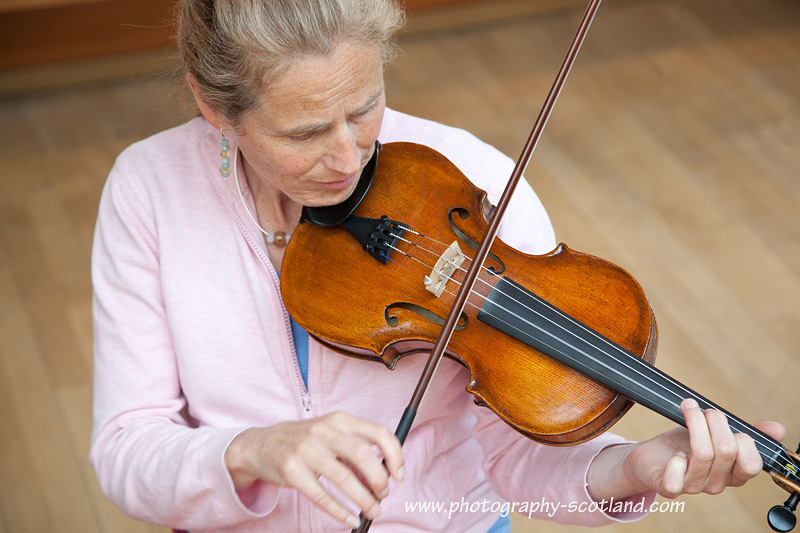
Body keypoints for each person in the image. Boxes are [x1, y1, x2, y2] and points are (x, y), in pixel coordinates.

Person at [89, 1, 785, 531]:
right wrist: (249, 449)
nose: (348, 156)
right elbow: (126, 448)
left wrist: (633, 467)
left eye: (365, 109)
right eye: (304, 133)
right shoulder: (150, 189)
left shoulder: (472, 184)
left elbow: (510, 464)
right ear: (215, 107)